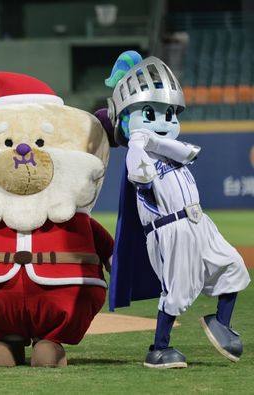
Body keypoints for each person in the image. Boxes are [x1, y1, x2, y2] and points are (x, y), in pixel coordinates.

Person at [106, 51, 250, 369]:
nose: (165, 121)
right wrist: (140, 147)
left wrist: (153, 144)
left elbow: (185, 153)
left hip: (200, 224)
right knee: (177, 291)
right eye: (151, 113)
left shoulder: (171, 151)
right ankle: (159, 348)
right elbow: (139, 173)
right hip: (170, 229)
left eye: (171, 114)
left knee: (234, 267)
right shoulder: (138, 151)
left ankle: (221, 323)